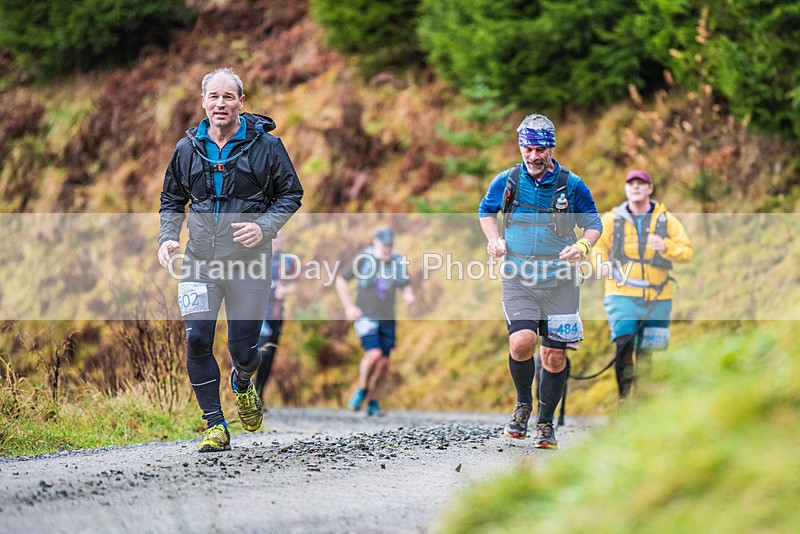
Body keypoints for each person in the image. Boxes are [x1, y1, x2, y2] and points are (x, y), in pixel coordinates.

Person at [158, 67, 303, 452]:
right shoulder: (186, 148)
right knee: (197, 339)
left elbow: (291, 194)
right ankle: (215, 426)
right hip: (199, 259)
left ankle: (242, 381)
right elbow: (172, 199)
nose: (220, 104)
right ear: (203, 101)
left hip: (249, 262)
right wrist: (168, 238)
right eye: (213, 97)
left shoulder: (267, 147)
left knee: (244, 351)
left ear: (241, 101)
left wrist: (265, 227)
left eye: (228, 97)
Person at [478, 114, 602, 449]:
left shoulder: (571, 184)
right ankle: (523, 404)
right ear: (520, 147)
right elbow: (486, 212)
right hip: (518, 278)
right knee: (521, 341)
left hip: (561, 281)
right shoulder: (507, 181)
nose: (534, 156)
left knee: (554, 357)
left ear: (552, 148)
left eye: (540, 149)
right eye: (528, 148)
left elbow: (594, 223)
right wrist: (494, 240)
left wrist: (582, 246)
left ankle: (545, 425)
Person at [593, 170, 692, 399]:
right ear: (626, 189)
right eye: (631, 183)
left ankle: (644, 404)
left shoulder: (666, 220)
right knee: (624, 344)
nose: (636, 187)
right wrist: (601, 264)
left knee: (648, 352)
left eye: (641, 183)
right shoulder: (611, 219)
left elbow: (686, 252)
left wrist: (666, 246)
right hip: (621, 292)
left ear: (650, 188)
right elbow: (596, 246)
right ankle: (624, 400)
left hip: (658, 295)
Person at [335, 227, 414, 417]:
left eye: (390, 245)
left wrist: (408, 295)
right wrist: (349, 306)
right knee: (374, 354)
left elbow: (405, 284)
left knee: (384, 362)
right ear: (375, 242)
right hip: (366, 316)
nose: (387, 248)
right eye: (384, 244)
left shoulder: (396, 261)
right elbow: (341, 280)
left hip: (387, 317)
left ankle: (373, 400)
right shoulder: (364, 259)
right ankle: (362, 389)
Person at [255, 233, 298, 404]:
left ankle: (260, 393)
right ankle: (245, 391)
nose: (277, 242)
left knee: (270, 354)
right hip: (257, 313)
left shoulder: (288, 261)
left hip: (276, 313)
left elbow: (295, 283)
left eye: (280, 239)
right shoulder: (256, 258)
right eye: (274, 239)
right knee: (261, 353)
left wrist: (285, 290)